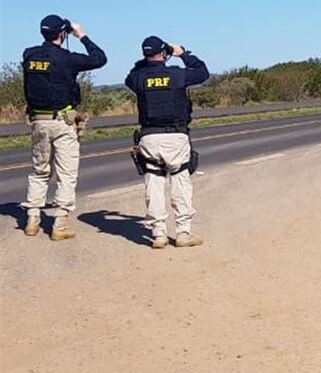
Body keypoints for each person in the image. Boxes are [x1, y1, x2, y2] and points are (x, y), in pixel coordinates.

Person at [21, 15, 108, 240]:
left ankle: (32, 219)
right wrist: (81, 35)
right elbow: (99, 58)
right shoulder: (67, 59)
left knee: (39, 171)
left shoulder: (29, 55)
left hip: (38, 121)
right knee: (66, 174)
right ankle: (59, 224)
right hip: (62, 122)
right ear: (62, 33)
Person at [124, 36, 209, 249]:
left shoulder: (138, 78)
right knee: (180, 181)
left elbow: (131, 75)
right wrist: (182, 54)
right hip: (175, 135)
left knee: (153, 183)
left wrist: (147, 60)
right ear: (164, 53)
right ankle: (183, 232)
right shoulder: (177, 74)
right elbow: (202, 72)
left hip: (149, 137)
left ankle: (158, 234)